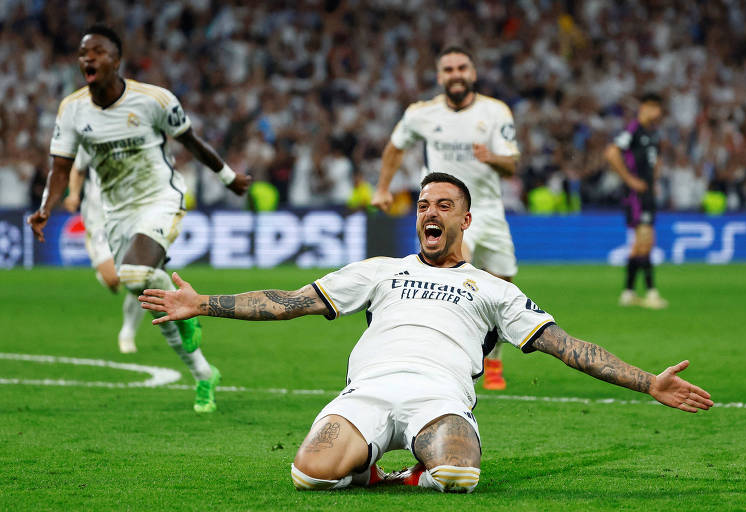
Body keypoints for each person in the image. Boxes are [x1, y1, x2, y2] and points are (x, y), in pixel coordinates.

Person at [140, 173, 713, 494]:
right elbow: (289, 302)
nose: (428, 213)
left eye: (443, 205)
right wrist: (202, 304)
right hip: (366, 392)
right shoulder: (380, 270)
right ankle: (367, 467)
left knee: (459, 476)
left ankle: (414, 468)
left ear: (465, 220)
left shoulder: (494, 289)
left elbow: (568, 347)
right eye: (422, 206)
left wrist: (647, 383)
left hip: (439, 397)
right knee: (305, 475)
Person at [27, 25, 251, 413]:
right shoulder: (73, 109)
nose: (88, 59)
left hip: (159, 198)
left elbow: (192, 142)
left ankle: (188, 314)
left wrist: (228, 177)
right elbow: (61, 166)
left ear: (116, 60)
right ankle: (203, 374)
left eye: (97, 52)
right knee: (147, 295)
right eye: (83, 53)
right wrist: (47, 206)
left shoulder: (153, 100)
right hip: (114, 212)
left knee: (132, 276)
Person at [372, 46, 520, 390]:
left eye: (462, 68)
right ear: (440, 77)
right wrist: (382, 188)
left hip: (488, 210)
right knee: (451, 278)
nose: (456, 74)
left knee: (503, 287)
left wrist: (492, 158)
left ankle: (493, 359)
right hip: (445, 212)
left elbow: (511, 163)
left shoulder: (495, 112)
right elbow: (395, 146)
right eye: (449, 69)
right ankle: (449, 361)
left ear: (473, 73)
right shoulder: (421, 114)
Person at [63, 146, 145, 353]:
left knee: (139, 280)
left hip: (130, 218)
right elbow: (78, 169)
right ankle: (108, 274)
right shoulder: (90, 138)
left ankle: (127, 332)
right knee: (114, 280)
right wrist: (73, 193)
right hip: (99, 220)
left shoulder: (138, 138)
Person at [604, 93, 668, 309]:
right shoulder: (633, 130)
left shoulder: (653, 134)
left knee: (639, 246)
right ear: (646, 108)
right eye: (656, 108)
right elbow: (612, 153)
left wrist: (654, 179)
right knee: (646, 241)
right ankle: (651, 292)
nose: (659, 113)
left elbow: (656, 161)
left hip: (647, 193)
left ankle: (628, 293)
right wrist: (630, 180)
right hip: (636, 196)